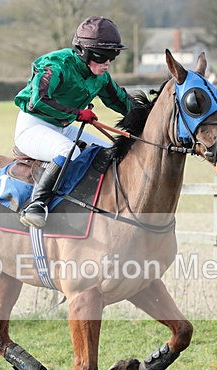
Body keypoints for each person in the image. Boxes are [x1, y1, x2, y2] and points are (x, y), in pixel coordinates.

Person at [14, 16, 132, 228]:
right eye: (103, 57)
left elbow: (120, 101)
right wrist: (77, 114)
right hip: (33, 126)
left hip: (63, 127)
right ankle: (36, 205)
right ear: (84, 52)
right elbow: (37, 102)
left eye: (111, 57)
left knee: (111, 151)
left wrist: (151, 115)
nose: (108, 63)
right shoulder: (56, 65)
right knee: (69, 151)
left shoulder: (101, 76)